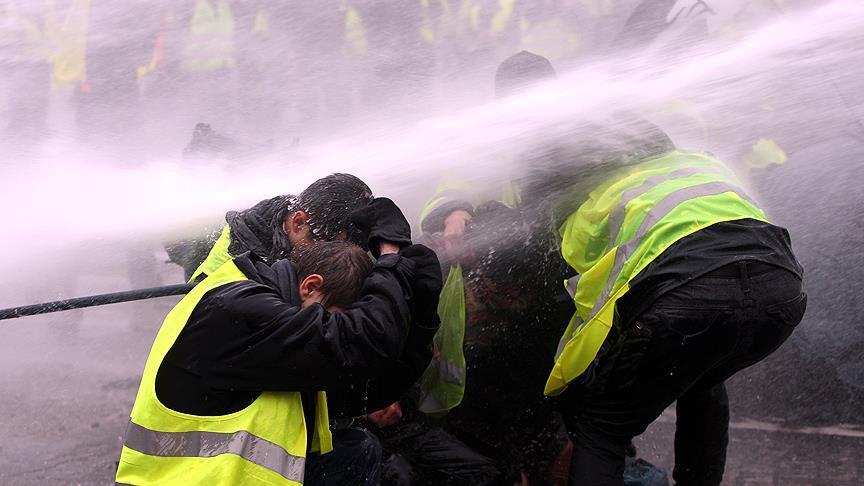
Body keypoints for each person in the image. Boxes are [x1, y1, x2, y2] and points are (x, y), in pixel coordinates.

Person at [519, 118, 806, 485]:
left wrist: (568, 388)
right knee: (701, 376)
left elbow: (597, 316)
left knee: (603, 429)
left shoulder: (590, 213)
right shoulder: (698, 164)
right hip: (781, 292)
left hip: (686, 298)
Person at [116, 197, 444, 485]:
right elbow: (357, 343)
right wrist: (389, 260)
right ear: (311, 286)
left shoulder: (276, 324)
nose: (330, 326)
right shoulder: (238, 309)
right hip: (179, 482)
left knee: (355, 451)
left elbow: (363, 385)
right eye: (335, 315)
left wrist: (422, 307)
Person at [166, 172, 374, 282]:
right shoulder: (232, 272)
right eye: (325, 248)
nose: (334, 260)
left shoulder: (299, 212)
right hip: (195, 257)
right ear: (298, 223)